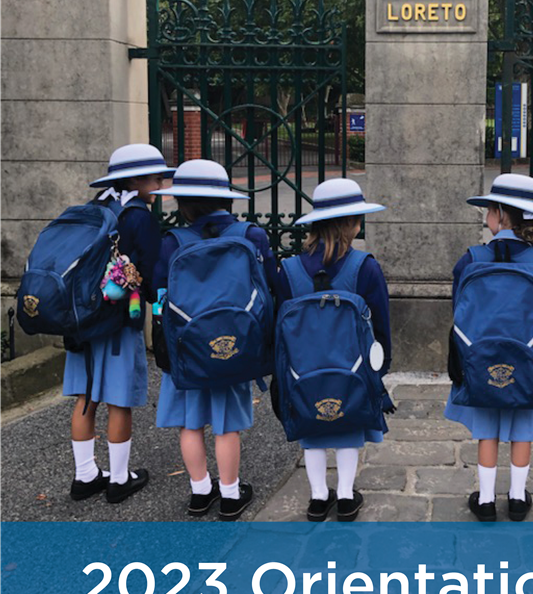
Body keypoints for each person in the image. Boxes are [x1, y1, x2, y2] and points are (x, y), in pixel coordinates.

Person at [152, 159, 278, 520]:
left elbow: (158, 293)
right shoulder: (250, 235)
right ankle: (230, 494)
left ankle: (199, 491)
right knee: (226, 426)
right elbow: (270, 285)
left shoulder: (172, 241)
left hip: (187, 347)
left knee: (190, 423)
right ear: (226, 199)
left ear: (183, 203)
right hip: (234, 343)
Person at [444, 174, 533, 522]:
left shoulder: (470, 260)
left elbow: (458, 312)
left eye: (489, 211)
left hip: (480, 361)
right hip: (529, 363)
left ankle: (484, 499)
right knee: (522, 428)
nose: (486, 218)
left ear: (499, 213)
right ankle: (516, 497)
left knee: (487, 429)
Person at [274, 178, 391, 523]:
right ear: (350, 224)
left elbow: (280, 325)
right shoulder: (365, 267)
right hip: (351, 368)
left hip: (302, 369)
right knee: (349, 429)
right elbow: (381, 321)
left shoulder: (290, 269)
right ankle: (344, 496)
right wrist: (380, 367)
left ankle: (316, 497)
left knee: (312, 432)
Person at [65, 143, 171, 504]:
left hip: (80, 318)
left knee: (85, 397)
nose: (162, 184)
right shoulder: (138, 218)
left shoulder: (95, 207)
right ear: (138, 180)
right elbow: (153, 274)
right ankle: (119, 479)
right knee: (119, 399)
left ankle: (85, 476)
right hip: (118, 321)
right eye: (157, 177)